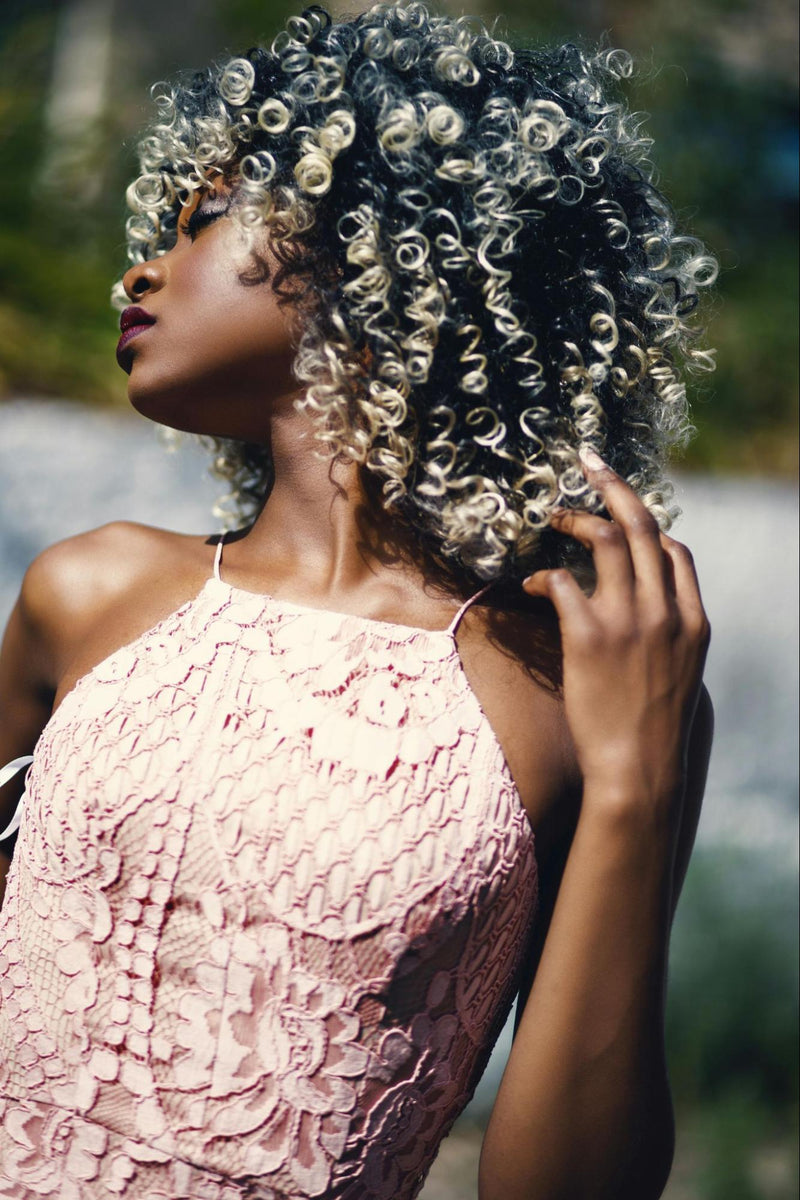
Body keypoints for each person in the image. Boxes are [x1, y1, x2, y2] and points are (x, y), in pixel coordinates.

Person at [0, 3, 716, 1196]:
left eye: (204, 218)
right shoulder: (93, 591)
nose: (142, 265)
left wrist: (637, 785)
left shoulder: (570, 687)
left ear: (384, 255)